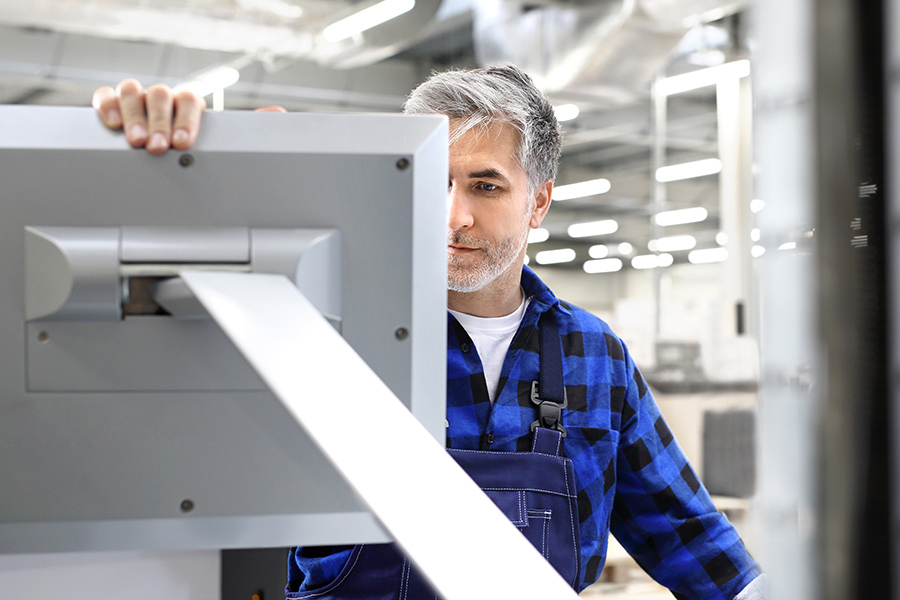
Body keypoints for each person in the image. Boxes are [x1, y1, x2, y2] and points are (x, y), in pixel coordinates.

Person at [93, 65, 766, 599]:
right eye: (435, 182)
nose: (454, 216)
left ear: (539, 201)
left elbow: (691, 539)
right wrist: (162, 158)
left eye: (485, 186)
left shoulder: (595, 357)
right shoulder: (323, 328)